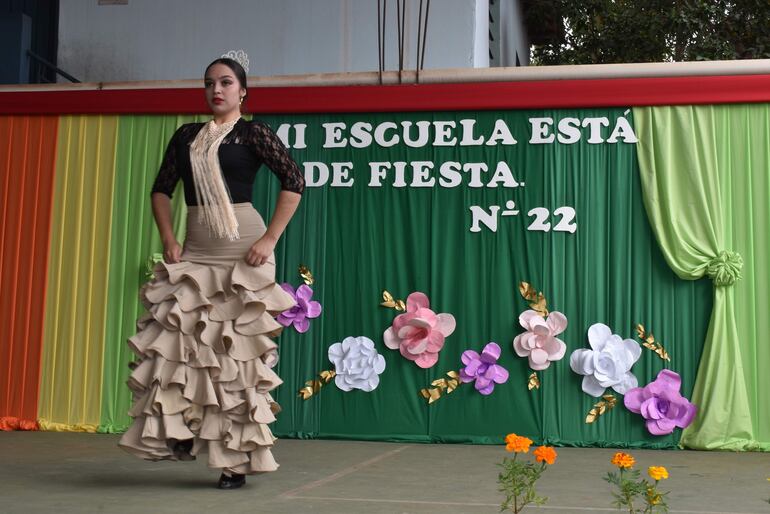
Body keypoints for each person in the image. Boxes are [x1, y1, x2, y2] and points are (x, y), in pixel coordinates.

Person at [118, 56, 304, 490]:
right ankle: (179, 432)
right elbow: (161, 191)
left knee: (234, 357)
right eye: (209, 84)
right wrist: (168, 238)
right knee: (178, 345)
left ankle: (233, 462)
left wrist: (269, 240)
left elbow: (294, 181)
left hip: (244, 251)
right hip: (197, 247)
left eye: (225, 82)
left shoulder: (253, 132)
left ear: (243, 91)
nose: (215, 90)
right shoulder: (186, 136)